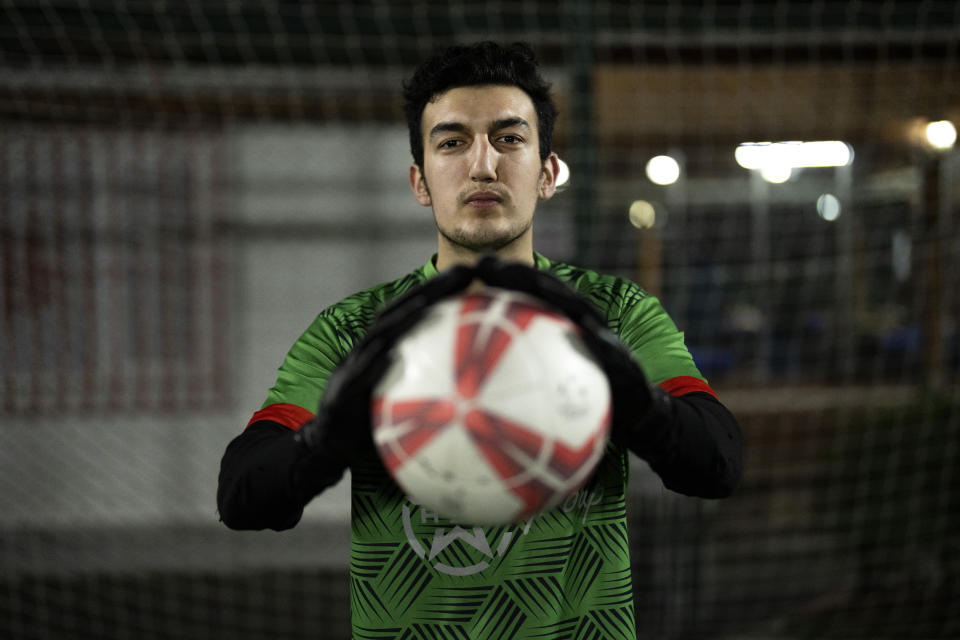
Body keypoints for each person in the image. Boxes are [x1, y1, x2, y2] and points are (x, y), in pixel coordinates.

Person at [217, 41, 743, 639]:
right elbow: (242, 496)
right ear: (420, 182)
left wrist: (635, 401)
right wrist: (328, 439)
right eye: (452, 142)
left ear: (547, 174)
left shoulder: (616, 314)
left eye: (510, 138)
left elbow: (718, 463)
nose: (483, 165)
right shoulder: (353, 331)